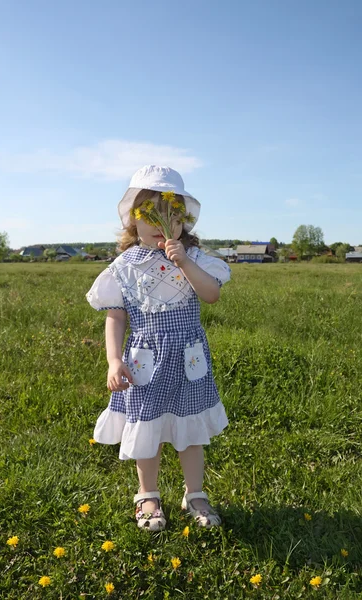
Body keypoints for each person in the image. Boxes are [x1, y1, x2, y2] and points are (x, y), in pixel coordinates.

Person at [86, 165, 231, 531]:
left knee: (190, 429)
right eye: (149, 214)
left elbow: (211, 295)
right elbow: (115, 317)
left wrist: (182, 260)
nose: (160, 223)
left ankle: (194, 493)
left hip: (187, 360)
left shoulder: (195, 260)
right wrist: (113, 360)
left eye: (171, 215)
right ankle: (147, 494)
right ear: (133, 221)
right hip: (144, 364)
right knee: (146, 429)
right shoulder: (124, 267)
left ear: (182, 222)